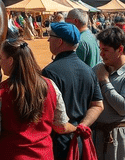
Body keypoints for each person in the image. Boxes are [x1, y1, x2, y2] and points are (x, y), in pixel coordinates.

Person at [0, 39, 76, 159]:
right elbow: (61, 126)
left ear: (11, 61)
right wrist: (76, 127)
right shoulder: (50, 86)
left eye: (1, 58)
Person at [42, 21, 103, 160]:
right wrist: (82, 126)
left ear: (60, 42)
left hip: (58, 144)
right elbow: (98, 105)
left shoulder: (49, 72)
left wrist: (72, 128)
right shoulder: (89, 71)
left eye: (51, 36)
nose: (48, 40)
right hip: (80, 140)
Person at [92, 27, 125, 160]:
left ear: (120, 49)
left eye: (105, 50)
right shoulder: (98, 69)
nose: (101, 54)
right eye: (100, 49)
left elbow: (123, 108)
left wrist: (104, 81)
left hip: (117, 137)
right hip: (95, 136)